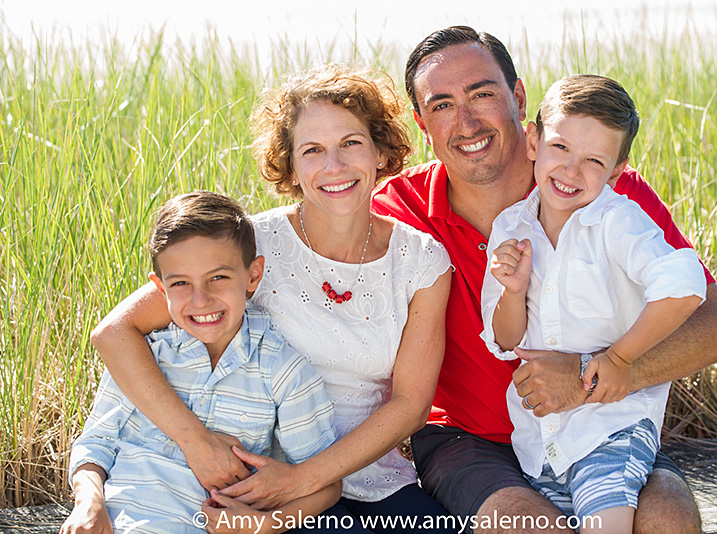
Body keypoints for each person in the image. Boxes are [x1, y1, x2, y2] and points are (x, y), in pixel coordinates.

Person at [369, 26, 717, 534]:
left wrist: (603, 373)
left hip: (601, 422)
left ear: (518, 100)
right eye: (442, 105)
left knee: (668, 517)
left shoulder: (606, 192)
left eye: (482, 94)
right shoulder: (396, 211)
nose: (467, 121)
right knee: (523, 525)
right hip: (469, 439)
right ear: (421, 123)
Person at [89, 65, 454, 533]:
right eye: (313, 150)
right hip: (252, 480)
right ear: (291, 165)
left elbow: (410, 405)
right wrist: (195, 441)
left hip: (368, 484)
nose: (334, 166)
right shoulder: (251, 246)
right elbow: (115, 332)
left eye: (351, 143)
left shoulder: (421, 260)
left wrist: (302, 479)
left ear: (380, 151)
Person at [480, 74, 707, 533]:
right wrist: (513, 289)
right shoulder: (511, 227)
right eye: (560, 148)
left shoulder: (617, 223)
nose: (570, 171)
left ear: (617, 172)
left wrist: (620, 358)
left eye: (593, 160)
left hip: (612, 427)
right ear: (533, 141)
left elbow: (685, 286)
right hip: (539, 441)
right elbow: (504, 341)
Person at [61, 191, 339, 534]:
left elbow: (324, 485)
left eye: (218, 277)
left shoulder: (283, 372)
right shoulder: (144, 355)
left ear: (253, 275)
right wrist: (89, 503)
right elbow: (96, 443)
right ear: (160, 289)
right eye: (180, 283)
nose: (200, 299)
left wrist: (267, 525)